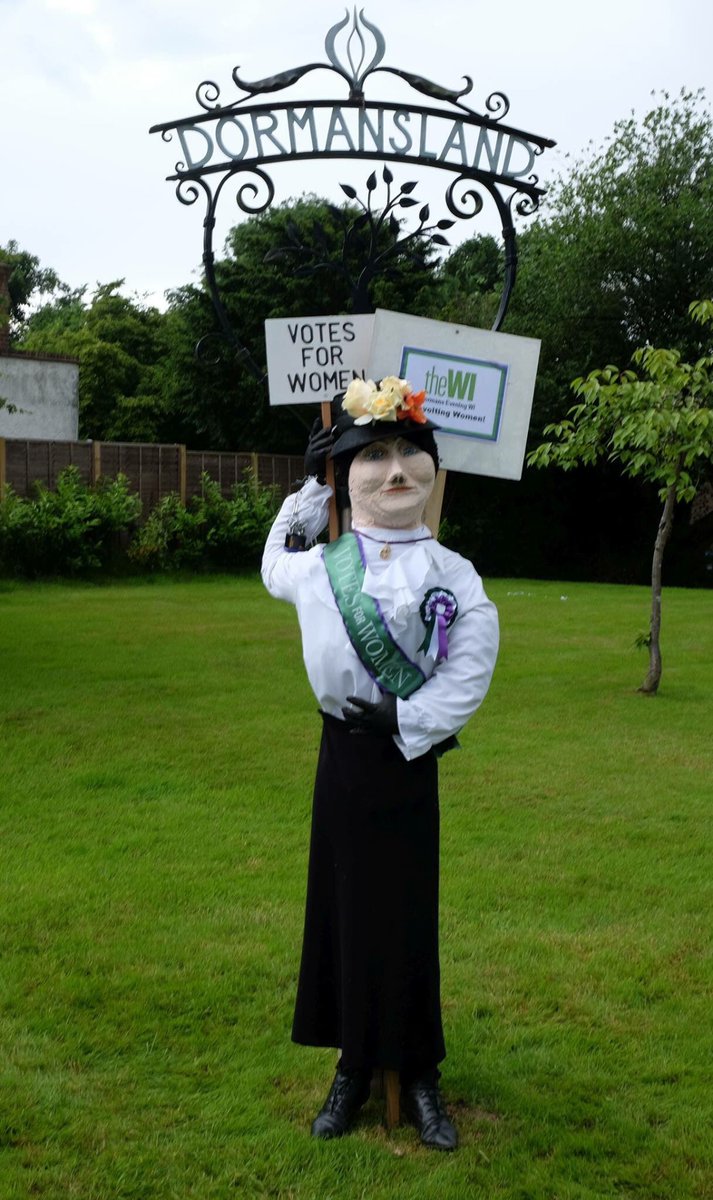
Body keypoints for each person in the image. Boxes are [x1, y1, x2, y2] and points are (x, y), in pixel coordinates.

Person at [261, 375, 499, 1150]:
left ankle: (419, 1071)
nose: (395, 471)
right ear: (347, 474)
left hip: (406, 759)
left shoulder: (453, 573)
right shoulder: (320, 563)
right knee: (339, 914)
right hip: (341, 759)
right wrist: (306, 482)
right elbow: (273, 565)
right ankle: (351, 1068)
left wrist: (408, 714)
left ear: (430, 471)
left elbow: (469, 668)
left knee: (404, 917)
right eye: (374, 458)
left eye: (409, 455)